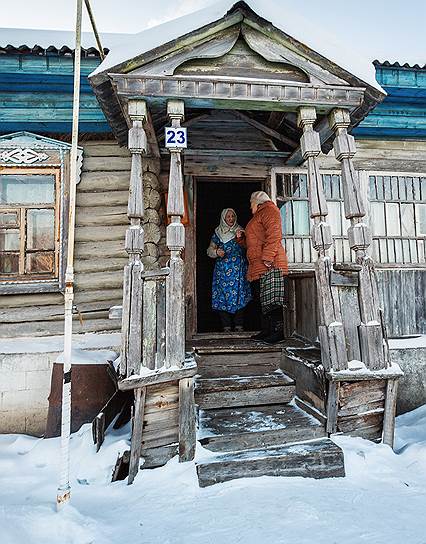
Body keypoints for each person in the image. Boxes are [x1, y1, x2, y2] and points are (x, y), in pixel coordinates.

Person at [236, 191, 288, 343]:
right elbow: (255, 243)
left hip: (270, 263)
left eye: (251, 203)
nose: (250, 206)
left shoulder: (270, 211)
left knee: (273, 300)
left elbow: (275, 235)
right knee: (264, 300)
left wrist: (267, 257)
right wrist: (242, 240)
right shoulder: (258, 216)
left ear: (257, 202)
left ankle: (278, 333)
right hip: (259, 265)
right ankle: (267, 330)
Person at [207, 208, 252, 332]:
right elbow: (209, 250)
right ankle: (226, 326)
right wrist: (216, 252)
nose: (231, 219)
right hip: (222, 271)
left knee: (240, 295)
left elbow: (249, 247)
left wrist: (241, 238)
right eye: (228, 217)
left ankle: (239, 325)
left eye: (232, 216)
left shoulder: (241, 230)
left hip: (239, 269)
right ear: (223, 218)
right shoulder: (218, 233)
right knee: (223, 296)